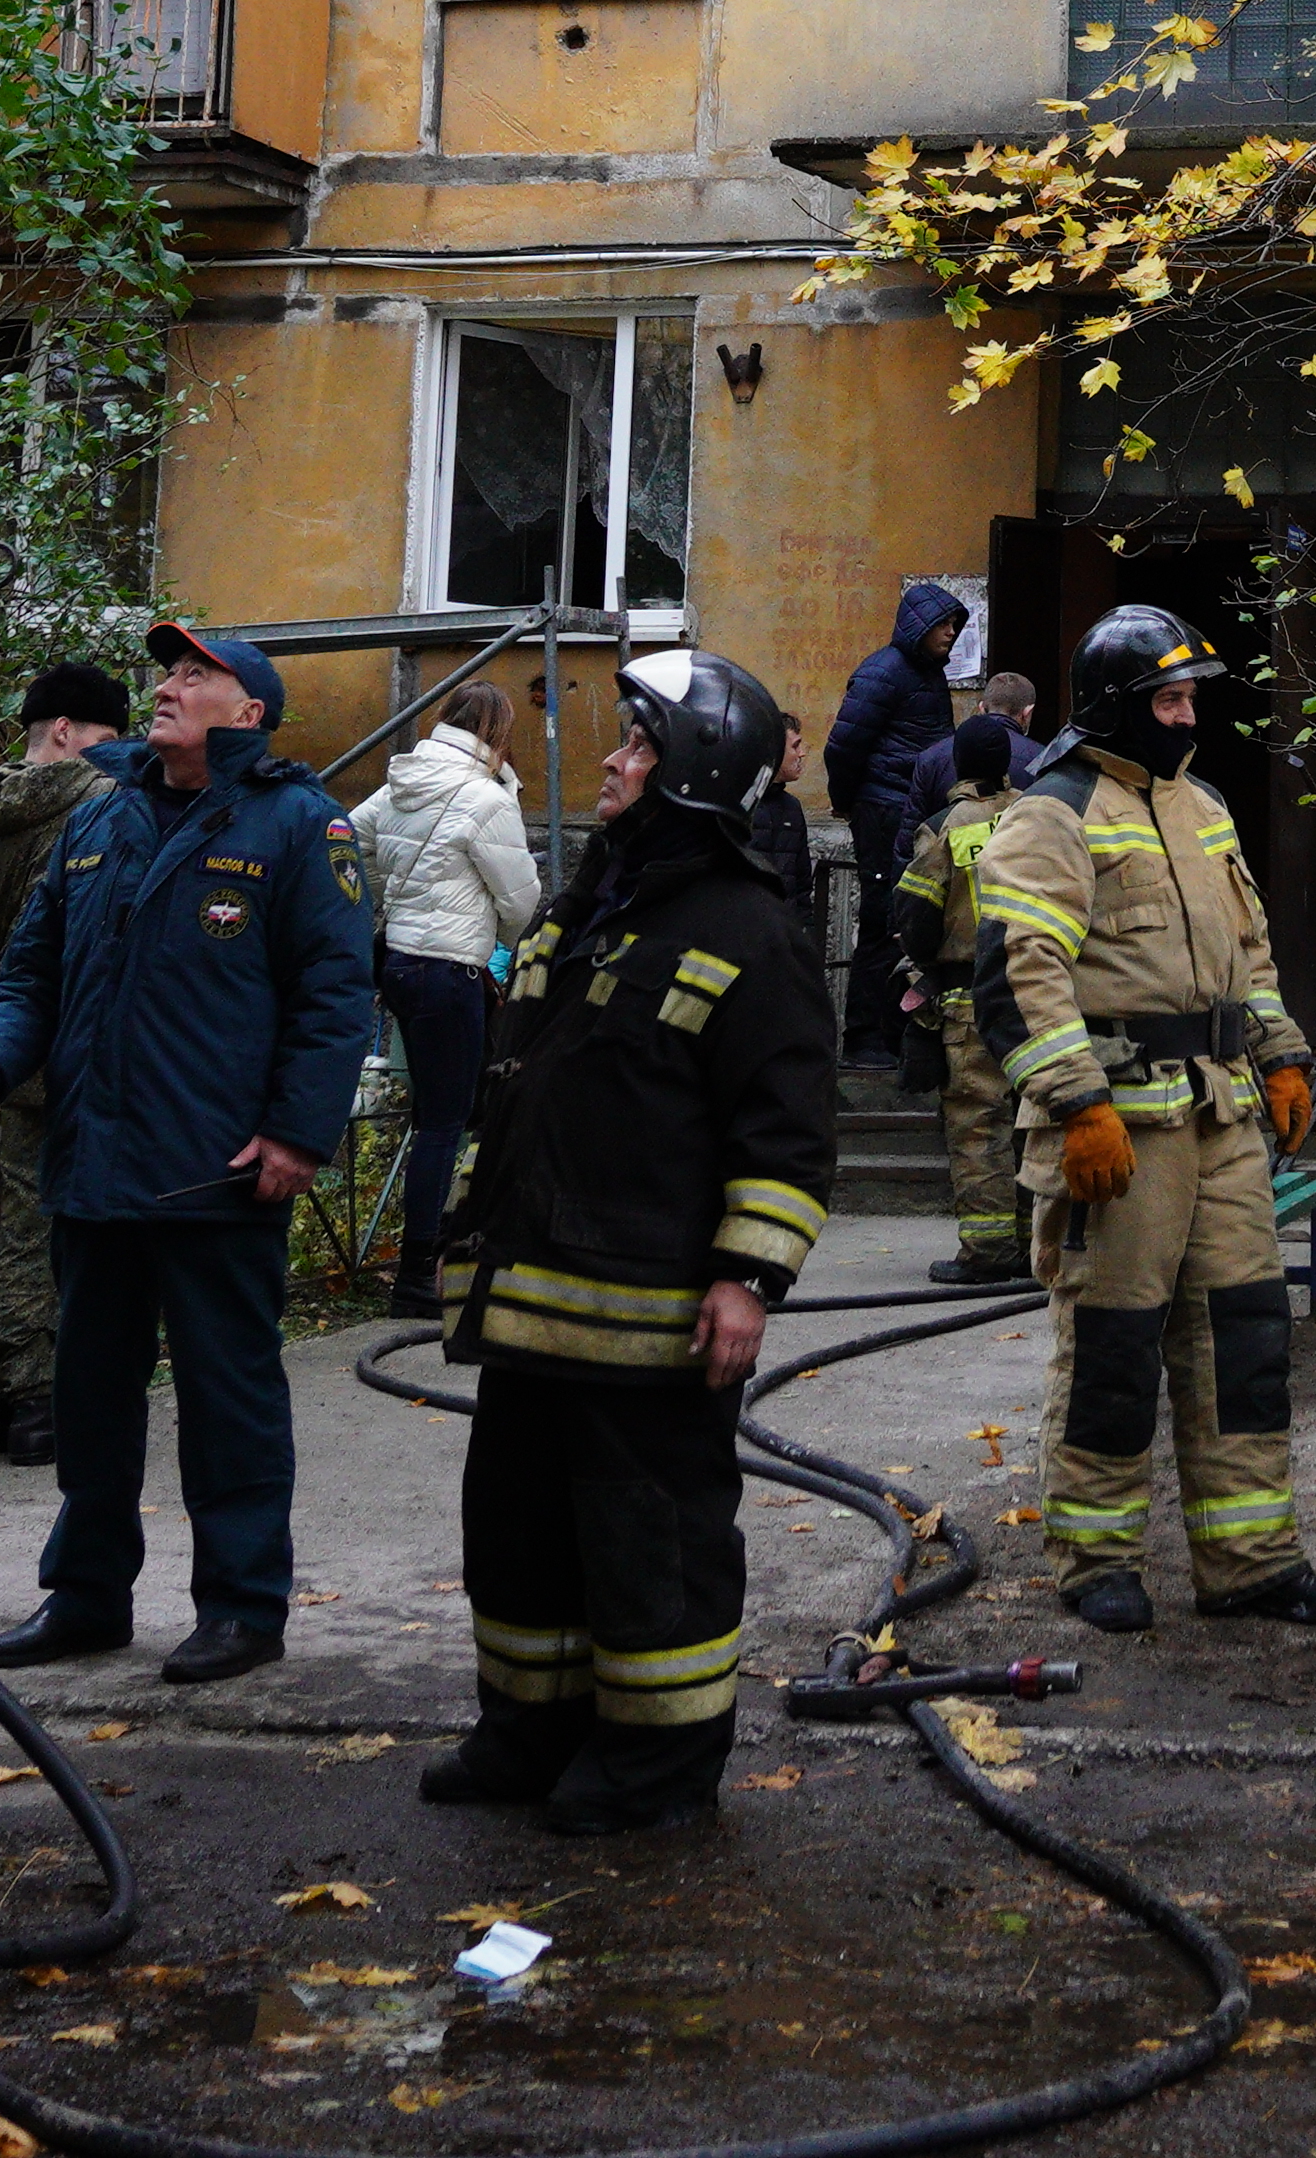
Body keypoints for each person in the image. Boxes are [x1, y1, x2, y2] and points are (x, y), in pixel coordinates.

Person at [420, 647, 838, 1839]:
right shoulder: (587, 902)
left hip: (649, 1319)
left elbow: (790, 1130)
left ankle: (657, 1764)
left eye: (640, 744)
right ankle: (529, 1733)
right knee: (517, 1531)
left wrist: (748, 1276)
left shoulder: (753, 933)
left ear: (694, 772)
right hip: (530, 1303)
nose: (611, 760)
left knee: (648, 1541)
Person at [0, 617, 374, 1686]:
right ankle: (86, 1597)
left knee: (228, 1400)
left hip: (216, 1171)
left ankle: (242, 1604)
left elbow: (334, 998)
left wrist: (296, 1133)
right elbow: (28, 972)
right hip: (94, 1168)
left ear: (250, 712)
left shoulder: (296, 825)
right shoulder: (102, 820)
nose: (171, 686)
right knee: (90, 1397)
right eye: (169, 671)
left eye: (197, 673)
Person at [979, 603, 1316, 1633]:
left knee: (1243, 1341)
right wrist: (1077, 1106)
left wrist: (1281, 1058)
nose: (1189, 713)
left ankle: (1251, 1562)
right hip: (1121, 1137)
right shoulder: (1050, 812)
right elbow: (1019, 980)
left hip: (1222, 1120)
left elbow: (1254, 958)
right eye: (1171, 696)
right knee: (1112, 1346)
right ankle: (1095, 1560)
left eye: (1192, 694)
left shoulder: (1202, 807)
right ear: (1119, 705)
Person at [0, 660, 130, 1466]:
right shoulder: (95, 807)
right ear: (64, 732)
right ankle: (38, 1399)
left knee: (20, 1217)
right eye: (106, 735)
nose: (120, 752)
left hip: (2, 1044)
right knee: (67, 1229)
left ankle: (1, 1398)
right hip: (82, 1041)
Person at [350, 712, 541, 1322]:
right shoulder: (485, 797)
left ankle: (459, 1247)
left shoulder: (404, 780)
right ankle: (416, 1276)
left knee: (468, 1108)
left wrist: (389, 900)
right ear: (498, 732)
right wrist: (493, 938)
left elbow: (350, 837)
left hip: (402, 963)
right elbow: (521, 898)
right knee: (444, 1123)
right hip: (449, 969)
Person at [896, 699, 1037, 1287]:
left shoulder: (943, 831)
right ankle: (1039, 1244)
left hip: (970, 998)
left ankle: (987, 1251)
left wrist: (920, 968)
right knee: (1037, 1119)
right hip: (1040, 991)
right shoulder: (1039, 817)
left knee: (978, 1124)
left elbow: (914, 917)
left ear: (956, 764)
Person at [821, 580, 968, 1087]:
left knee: (909, 919)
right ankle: (865, 1040)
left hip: (910, 810)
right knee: (884, 917)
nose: (952, 632)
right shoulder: (886, 672)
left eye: (955, 624)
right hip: (885, 810)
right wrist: (849, 803)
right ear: (919, 626)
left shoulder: (925, 674)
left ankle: (893, 1037)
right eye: (945, 624)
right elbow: (842, 747)